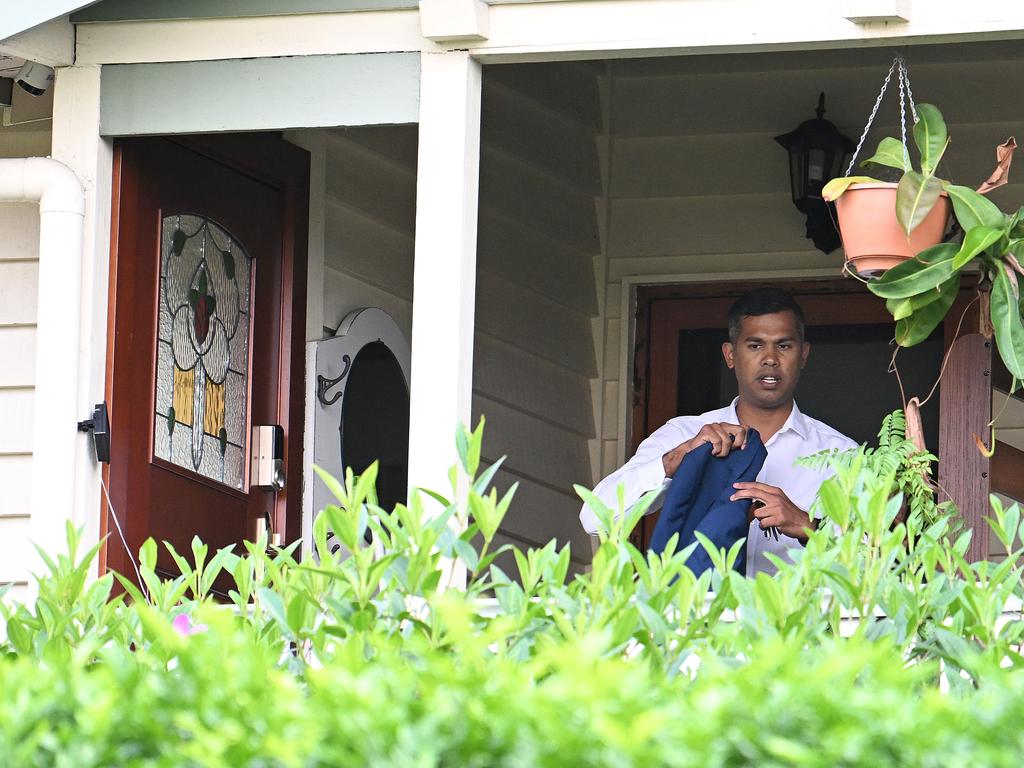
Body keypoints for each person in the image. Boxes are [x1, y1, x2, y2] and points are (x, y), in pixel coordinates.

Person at [580, 287, 857, 577]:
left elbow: (874, 567)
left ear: (804, 354)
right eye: (755, 345)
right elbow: (593, 518)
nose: (770, 358)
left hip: (799, 620)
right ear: (730, 354)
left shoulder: (842, 454)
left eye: (784, 345)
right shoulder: (683, 434)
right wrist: (675, 461)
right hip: (698, 618)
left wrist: (809, 527)